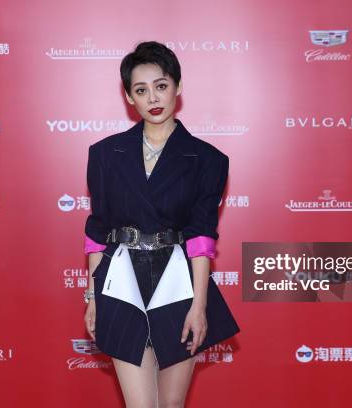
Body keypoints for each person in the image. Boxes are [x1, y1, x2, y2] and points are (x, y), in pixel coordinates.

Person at [83, 40, 240, 407]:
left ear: (179, 87)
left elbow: (201, 236)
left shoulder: (208, 159)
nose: (153, 97)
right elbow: (97, 231)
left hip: (178, 284)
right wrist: (93, 297)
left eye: (161, 85)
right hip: (120, 281)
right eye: (141, 89)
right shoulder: (105, 154)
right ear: (129, 97)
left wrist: (199, 306)